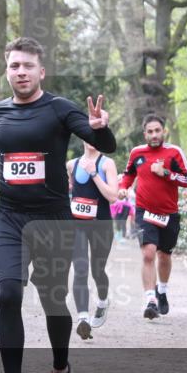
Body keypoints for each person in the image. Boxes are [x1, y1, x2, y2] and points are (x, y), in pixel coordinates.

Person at [0, 37, 116, 373]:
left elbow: (107, 143)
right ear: (7, 71)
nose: (20, 72)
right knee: (8, 296)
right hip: (9, 218)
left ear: (41, 71)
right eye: (13, 66)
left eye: (27, 66)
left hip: (53, 220)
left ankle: (60, 371)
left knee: (53, 300)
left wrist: (100, 129)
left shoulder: (58, 109)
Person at [116, 114, 187, 320]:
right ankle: (150, 300)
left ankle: (162, 290)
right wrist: (123, 187)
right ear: (145, 134)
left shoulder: (174, 152)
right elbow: (128, 174)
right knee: (148, 254)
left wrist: (166, 173)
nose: (154, 135)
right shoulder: (137, 153)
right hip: (144, 211)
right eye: (150, 132)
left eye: (157, 130)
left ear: (163, 131)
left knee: (164, 255)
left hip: (169, 214)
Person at [66, 141, 119, 340]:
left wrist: (94, 174)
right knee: (80, 269)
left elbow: (113, 196)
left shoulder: (107, 164)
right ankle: (82, 319)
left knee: (98, 270)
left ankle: (103, 302)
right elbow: (68, 190)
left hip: (101, 225)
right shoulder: (71, 164)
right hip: (77, 225)